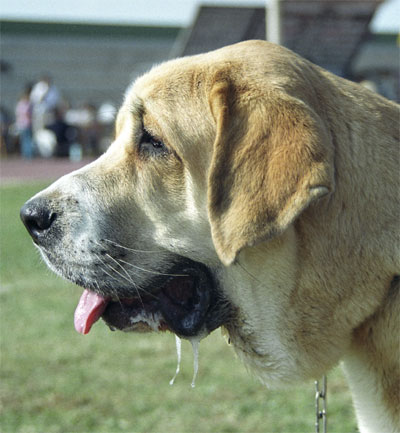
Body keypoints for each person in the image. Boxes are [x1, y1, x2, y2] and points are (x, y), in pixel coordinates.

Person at [15, 84, 34, 158]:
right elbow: (28, 114)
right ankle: (28, 154)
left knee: (24, 140)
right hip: (26, 124)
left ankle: (26, 154)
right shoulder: (27, 104)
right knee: (27, 140)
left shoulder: (19, 104)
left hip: (21, 124)